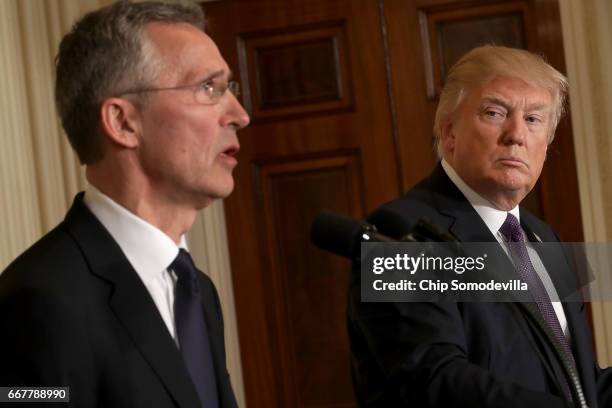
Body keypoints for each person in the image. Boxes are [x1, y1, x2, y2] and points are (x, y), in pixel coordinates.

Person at [0, 1, 249, 407]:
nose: (240, 114)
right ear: (123, 122)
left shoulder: (196, 289)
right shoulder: (39, 300)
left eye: (229, 89)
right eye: (209, 87)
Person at [348, 45, 612, 407]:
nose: (516, 135)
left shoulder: (544, 238)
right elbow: (434, 379)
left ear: (547, 146)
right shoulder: (396, 232)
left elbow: (578, 387)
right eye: (494, 113)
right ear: (450, 132)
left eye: (533, 119)